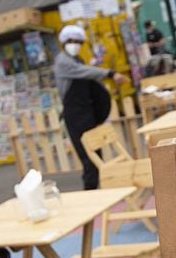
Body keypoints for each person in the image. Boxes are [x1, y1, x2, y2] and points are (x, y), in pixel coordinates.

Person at [52, 25, 128, 190]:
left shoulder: (77, 60)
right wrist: (110, 73)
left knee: (96, 156)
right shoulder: (63, 62)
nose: (76, 44)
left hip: (87, 115)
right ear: (65, 42)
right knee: (89, 160)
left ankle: (96, 192)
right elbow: (84, 72)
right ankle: (90, 194)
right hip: (75, 116)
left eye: (79, 41)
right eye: (72, 41)